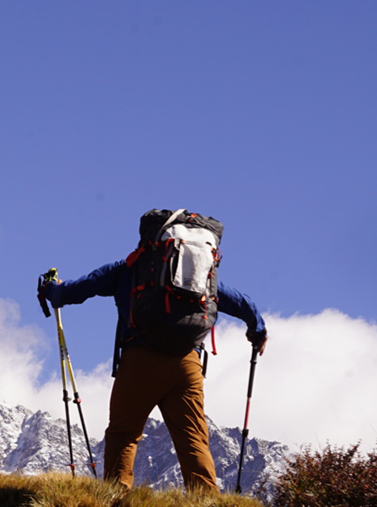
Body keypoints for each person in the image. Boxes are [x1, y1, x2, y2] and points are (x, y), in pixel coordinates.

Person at [37, 210, 267, 492]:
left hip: (140, 360)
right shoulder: (203, 280)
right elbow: (245, 305)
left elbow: (67, 294)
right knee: (193, 440)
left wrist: (49, 287)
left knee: (124, 434)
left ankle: (116, 503)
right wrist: (258, 331)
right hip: (187, 364)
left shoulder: (127, 269)